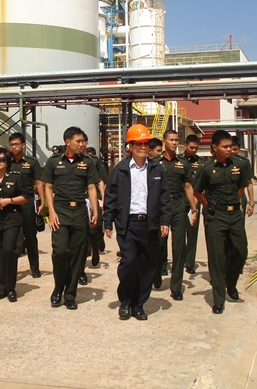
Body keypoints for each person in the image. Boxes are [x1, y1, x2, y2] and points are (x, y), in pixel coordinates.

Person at [103, 124, 171, 321]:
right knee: (129, 262)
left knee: (147, 266)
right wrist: (108, 222)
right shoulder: (120, 170)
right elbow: (111, 197)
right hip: (128, 224)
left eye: (145, 143)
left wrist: (165, 220)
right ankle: (125, 301)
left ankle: (139, 305)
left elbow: (165, 197)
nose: (142, 147)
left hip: (150, 225)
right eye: (138, 144)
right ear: (130, 146)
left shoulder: (157, 169)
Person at [194, 130, 251, 314]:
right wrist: (208, 205)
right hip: (216, 216)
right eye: (225, 147)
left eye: (230, 146)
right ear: (215, 148)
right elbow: (197, 192)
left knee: (240, 252)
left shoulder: (239, 165)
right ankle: (219, 299)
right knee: (217, 258)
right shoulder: (206, 168)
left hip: (235, 215)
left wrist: (235, 203)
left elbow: (241, 188)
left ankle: (231, 283)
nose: (229, 150)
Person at [41, 126, 99, 310]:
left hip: (80, 211)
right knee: (59, 251)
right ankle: (58, 287)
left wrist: (95, 210)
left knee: (77, 254)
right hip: (60, 211)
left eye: (83, 141)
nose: (82, 144)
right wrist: (51, 211)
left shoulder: (88, 162)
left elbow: (91, 188)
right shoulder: (54, 161)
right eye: (78, 141)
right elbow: (48, 187)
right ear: (68, 142)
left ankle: (70, 294)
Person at [0, 147, 32, 302]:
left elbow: (26, 197)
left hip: (12, 219)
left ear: (7, 162)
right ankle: (0, 287)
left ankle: (11, 287)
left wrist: (10, 201)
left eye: (2, 159)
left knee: (9, 250)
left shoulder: (16, 177)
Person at [155, 130, 198, 300]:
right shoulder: (154, 163)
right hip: (160, 207)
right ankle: (157, 273)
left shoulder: (183, 163)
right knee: (159, 244)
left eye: (176, 140)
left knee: (179, 246)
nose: (174, 143)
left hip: (179, 205)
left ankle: (176, 287)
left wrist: (193, 209)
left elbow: (188, 187)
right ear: (164, 141)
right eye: (171, 140)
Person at [9, 132, 44, 278]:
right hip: (11, 202)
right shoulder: (7, 161)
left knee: (30, 235)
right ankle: (11, 269)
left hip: (27, 202)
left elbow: (38, 182)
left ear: (23, 145)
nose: (14, 147)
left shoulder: (32, 162)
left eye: (16, 144)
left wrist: (42, 201)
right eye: (11, 145)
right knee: (11, 236)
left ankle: (34, 268)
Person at [77, 138, 108, 284]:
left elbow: (100, 180)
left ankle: (95, 250)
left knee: (94, 230)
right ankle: (81, 267)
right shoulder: (70, 161)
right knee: (81, 236)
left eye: (83, 142)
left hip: (93, 197)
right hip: (78, 199)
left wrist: (103, 198)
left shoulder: (94, 161)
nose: (80, 145)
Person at [181, 134, 203, 274]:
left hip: (194, 201)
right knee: (179, 233)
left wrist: (195, 205)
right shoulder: (179, 160)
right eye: (191, 147)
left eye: (196, 148)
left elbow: (201, 186)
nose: (194, 150)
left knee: (192, 233)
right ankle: (180, 259)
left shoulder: (201, 163)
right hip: (180, 201)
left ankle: (190, 263)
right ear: (185, 145)